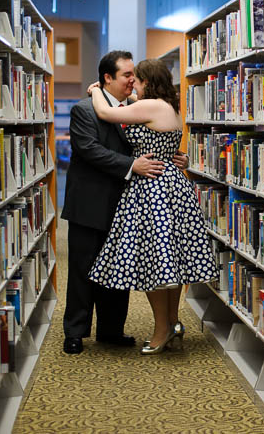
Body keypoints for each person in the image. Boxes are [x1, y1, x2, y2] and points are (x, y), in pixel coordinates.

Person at [60, 50, 188, 355]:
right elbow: (90, 149)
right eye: (126, 75)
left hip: (126, 202)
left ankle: (111, 330)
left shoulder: (136, 107)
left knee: (118, 269)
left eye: (135, 75)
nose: (132, 80)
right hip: (89, 203)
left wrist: (169, 157)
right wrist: (133, 166)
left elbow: (150, 140)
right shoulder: (84, 110)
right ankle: (75, 333)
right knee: (82, 270)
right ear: (108, 78)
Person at [87, 58, 217, 355]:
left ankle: (161, 330)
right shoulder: (166, 106)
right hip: (170, 185)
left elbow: (107, 111)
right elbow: (136, 111)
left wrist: (96, 89)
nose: (133, 84)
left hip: (152, 189)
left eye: (138, 80)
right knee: (168, 263)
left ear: (148, 82)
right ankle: (171, 322)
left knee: (154, 264)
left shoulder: (152, 106)